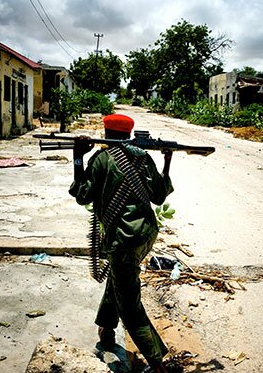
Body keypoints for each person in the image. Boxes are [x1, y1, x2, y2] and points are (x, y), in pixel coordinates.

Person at [69, 113, 173, 372]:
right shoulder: (143, 157)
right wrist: (167, 161)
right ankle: (106, 330)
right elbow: (159, 197)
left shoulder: (101, 159)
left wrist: (78, 157)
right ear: (128, 134)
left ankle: (157, 361)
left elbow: (82, 195)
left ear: (105, 133)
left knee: (129, 304)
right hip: (146, 234)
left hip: (123, 239)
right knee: (119, 279)